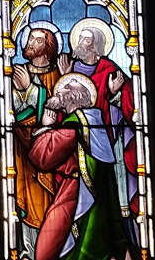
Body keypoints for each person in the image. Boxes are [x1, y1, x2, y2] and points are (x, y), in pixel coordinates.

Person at [29, 73, 138, 260]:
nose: (55, 94)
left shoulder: (73, 125)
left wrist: (45, 126)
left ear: (72, 98)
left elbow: (43, 158)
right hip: (98, 191)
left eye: (61, 92)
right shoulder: (94, 119)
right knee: (105, 225)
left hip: (77, 192)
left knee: (44, 255)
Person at [58, 17, 137, 217]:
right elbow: (62, 103)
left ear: (97, 45)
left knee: (104, 190)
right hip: (76, 143)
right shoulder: (71, 68)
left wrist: (114, 94)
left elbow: (128, 103)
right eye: (80, 39)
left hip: (104, 141)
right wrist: (65, 77)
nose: (79, 44)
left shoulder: (110, 69)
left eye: (86, 40)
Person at [12, 24, 61, 260]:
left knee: (48, 197)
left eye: (37, 40)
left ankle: (51, 250)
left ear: (48, 48)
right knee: (24, 195)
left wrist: (30, 89)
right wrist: (23, 89)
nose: (30, 43)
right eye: (30, 38)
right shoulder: (16, 72)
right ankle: (29, 251)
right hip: (22, 151)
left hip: (48, 151)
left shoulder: (56, 75)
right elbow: (11, 110)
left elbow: (58, 108)